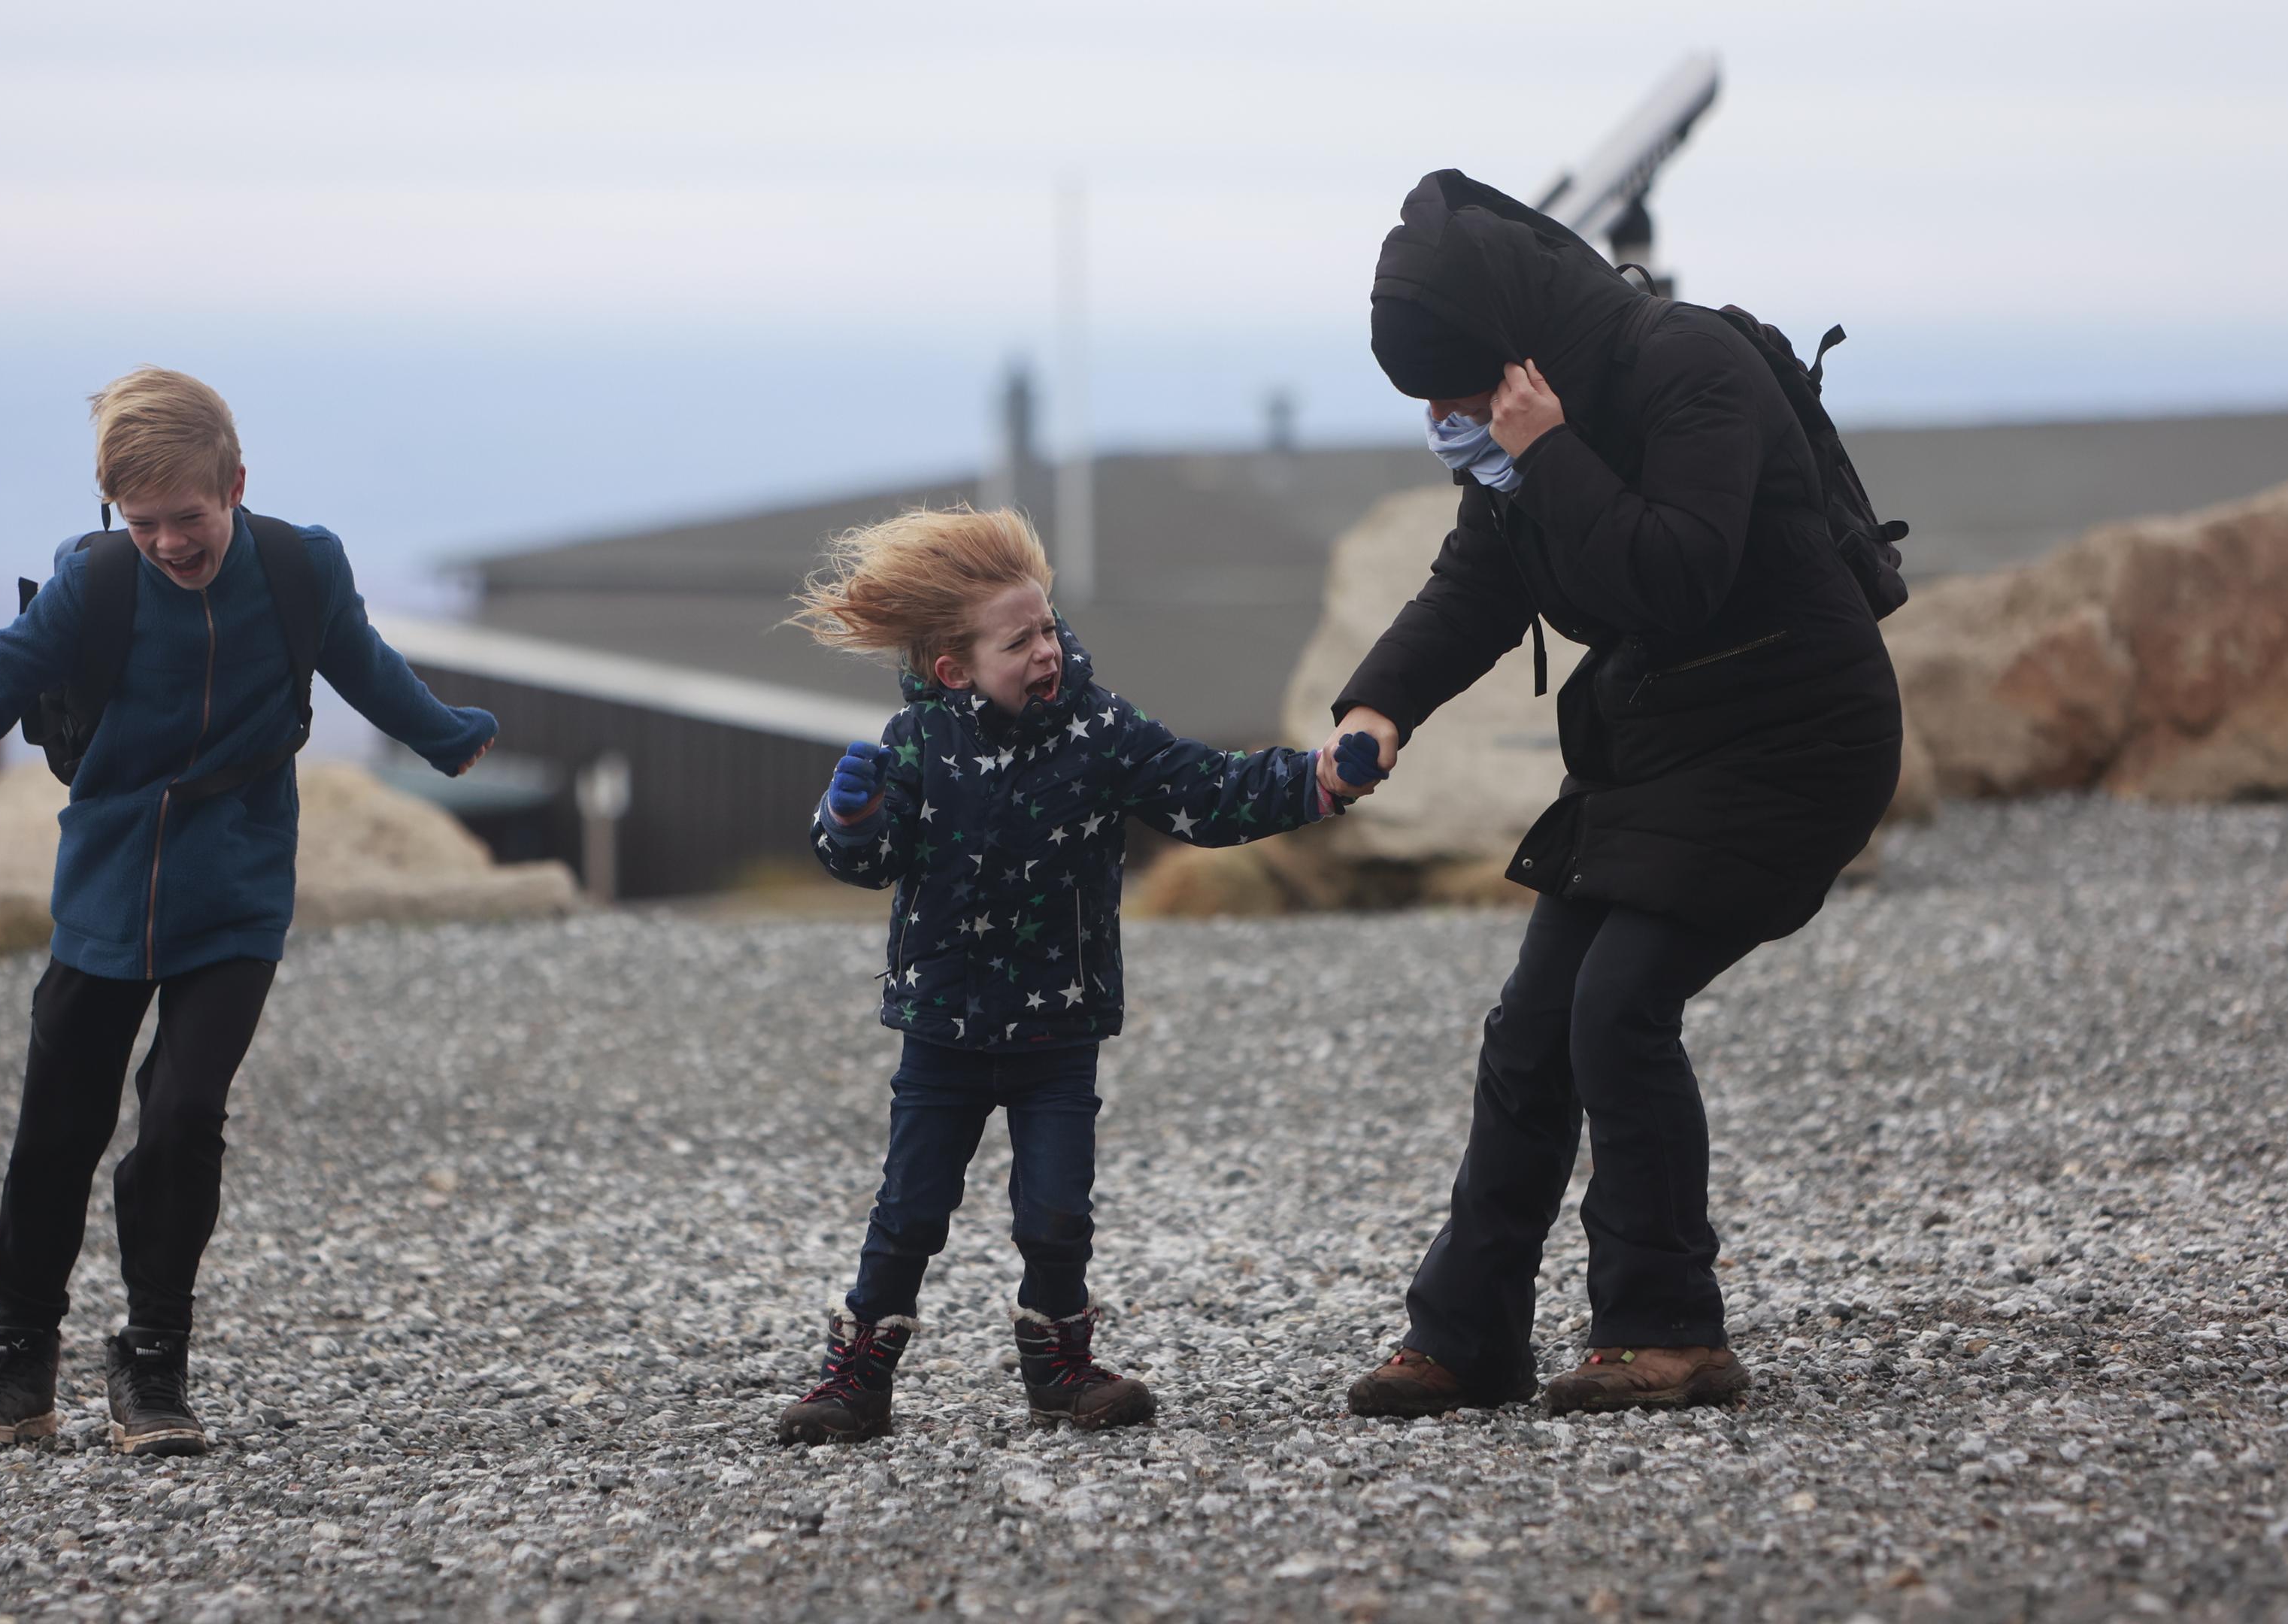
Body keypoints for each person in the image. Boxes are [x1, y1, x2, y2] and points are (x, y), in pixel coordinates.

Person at [1323, 171, 1902, 1418]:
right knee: (1531, 1028)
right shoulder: (1530, 429)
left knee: (1618, 1007)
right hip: (1659, 745)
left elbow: (1677, 574)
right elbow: (1479, 579)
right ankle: (1466, 1335)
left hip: (1795, 737)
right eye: (1429, 400)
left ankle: (1669, 1333)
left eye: (1461, 392)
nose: (1447, 417)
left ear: (1518, 353)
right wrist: (1381, 705)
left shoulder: (1686, 370)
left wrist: (1549, 451)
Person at [0, 367, 497, 1455]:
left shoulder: (302, 568)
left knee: (181, 1117)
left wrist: (443, 733)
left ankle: (154, 1364)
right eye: (142, 521)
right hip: (109, 884)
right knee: (57, 1127)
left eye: (188, 518)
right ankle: (17, 1360)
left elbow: (362, 664)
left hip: (239, 885)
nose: (167, 541)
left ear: (237, 484)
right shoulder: (97, 585)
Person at [777, 505, 1383, 1443]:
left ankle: (1060, 1370)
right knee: (909, 1212)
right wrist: (849, 822)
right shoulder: (916, 742)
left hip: (1060, 1031)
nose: (1047, 650)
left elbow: (1208, 796)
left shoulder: (1101, 731)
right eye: (1018, 641)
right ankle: (857, 1378)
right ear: (955, 669)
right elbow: (869, 861)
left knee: (1057, 1215)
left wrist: (1317, 780)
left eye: (1048, 627)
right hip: (942, 1029)